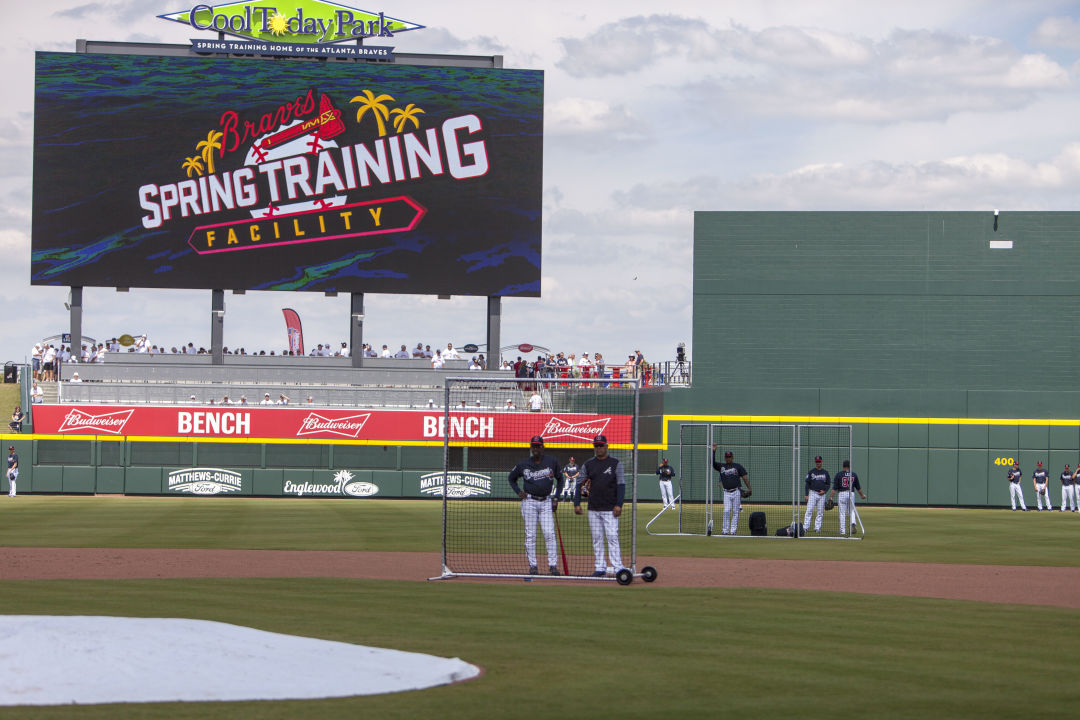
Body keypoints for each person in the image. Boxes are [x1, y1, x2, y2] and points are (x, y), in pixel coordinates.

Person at [508, 435, 564, 576]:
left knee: (549, 534)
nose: (536, 449)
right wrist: (518, 491)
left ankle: (553, 566)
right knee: (530, 535)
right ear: (531, 448)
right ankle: (533, 565)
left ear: (543, 447)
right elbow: (511, 478)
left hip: (546, 502)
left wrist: (556, 498)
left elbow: (560, 480)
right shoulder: (523, 464)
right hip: (530, 502)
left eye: (538, 446)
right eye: (534, 446)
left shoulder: (552, 461)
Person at [575, 434, 625, 576]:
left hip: (610, 508)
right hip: (593, 508)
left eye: (601, 445)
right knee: (597, 538)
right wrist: (577, 503)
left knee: (612, 537)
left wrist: (619, 504)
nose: (599, 448)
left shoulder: (616, 463)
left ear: (606, 446)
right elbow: (580, 484)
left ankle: (618, 567)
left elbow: (621, 485)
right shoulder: (588, 464)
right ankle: (600, 567)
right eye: (596, 446)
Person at [712, 446, 751, 535]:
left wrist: (749, 488)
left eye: (729, 457)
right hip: (726, 492)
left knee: (735, 512)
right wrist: (713, 451)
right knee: (726, 510)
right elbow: (713, 463)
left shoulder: (738, 466)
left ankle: (733, 531)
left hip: (736, 492)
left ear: (732, 457)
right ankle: (725, 530)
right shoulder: (721, 466)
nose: (728, 458)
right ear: (725, 458)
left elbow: (745, 478)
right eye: (727, 457)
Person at [829, 460, 866, 535]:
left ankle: (843, 531)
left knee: (842, 513)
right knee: (851, 510)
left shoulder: (839, 474)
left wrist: (831, 497)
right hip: (851, 493)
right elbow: (858, 488)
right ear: (849, 466)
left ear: (843, 466)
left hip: (842, 493)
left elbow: (834, 488)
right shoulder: (854, 474)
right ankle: (853, 523)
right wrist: (862, 495)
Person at [803, 455, 831, 533]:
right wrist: (806, 494)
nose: (818, 463)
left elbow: (828, 484)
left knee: (820, 512)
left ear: (822, 462)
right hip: (813, 493)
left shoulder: (825, 473)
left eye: (819, 461)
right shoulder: (811, 472)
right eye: (817, 461)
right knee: (809, 510)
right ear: (815, 462)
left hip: (822, 495)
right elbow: (807, 484)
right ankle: (805, 527)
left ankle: (817, 528)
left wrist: (825, 491)